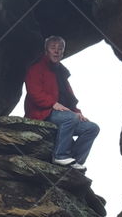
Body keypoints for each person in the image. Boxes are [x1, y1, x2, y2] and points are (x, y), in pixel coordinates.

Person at [23, 35, 100, 169]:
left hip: (62, 114)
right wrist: (53, 103)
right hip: (42, 112)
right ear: (46, 50)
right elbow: (34, 92)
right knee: (70, 118)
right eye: (53, 48)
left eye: (60, 48)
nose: (57, 51)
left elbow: (69, 99)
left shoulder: (61, 73)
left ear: (63, 52)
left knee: (92, 128)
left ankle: (75, 161)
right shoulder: (36, 68)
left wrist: (77, 112)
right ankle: (60, 156)